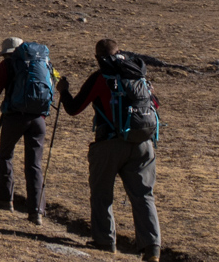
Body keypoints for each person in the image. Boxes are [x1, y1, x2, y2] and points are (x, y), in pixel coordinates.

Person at [58, 38, 161, 259]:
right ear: (120, 51)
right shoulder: (138, 74)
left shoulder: (100, 78)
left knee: (102, 194)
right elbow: (155, 105)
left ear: (98, 57)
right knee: (143, 195)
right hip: (143, 143)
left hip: (109, 144)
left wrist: (64, 91)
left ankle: (105, 242)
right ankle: (152, 247)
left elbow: (74, 108)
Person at [0, 36, 57, 224]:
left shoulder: (8, 65)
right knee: (34, 164)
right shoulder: (43, 62)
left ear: (6, 53)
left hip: (14, 118)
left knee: (5, 156)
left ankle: (5, 201)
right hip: (39, 119)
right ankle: (36, 211)